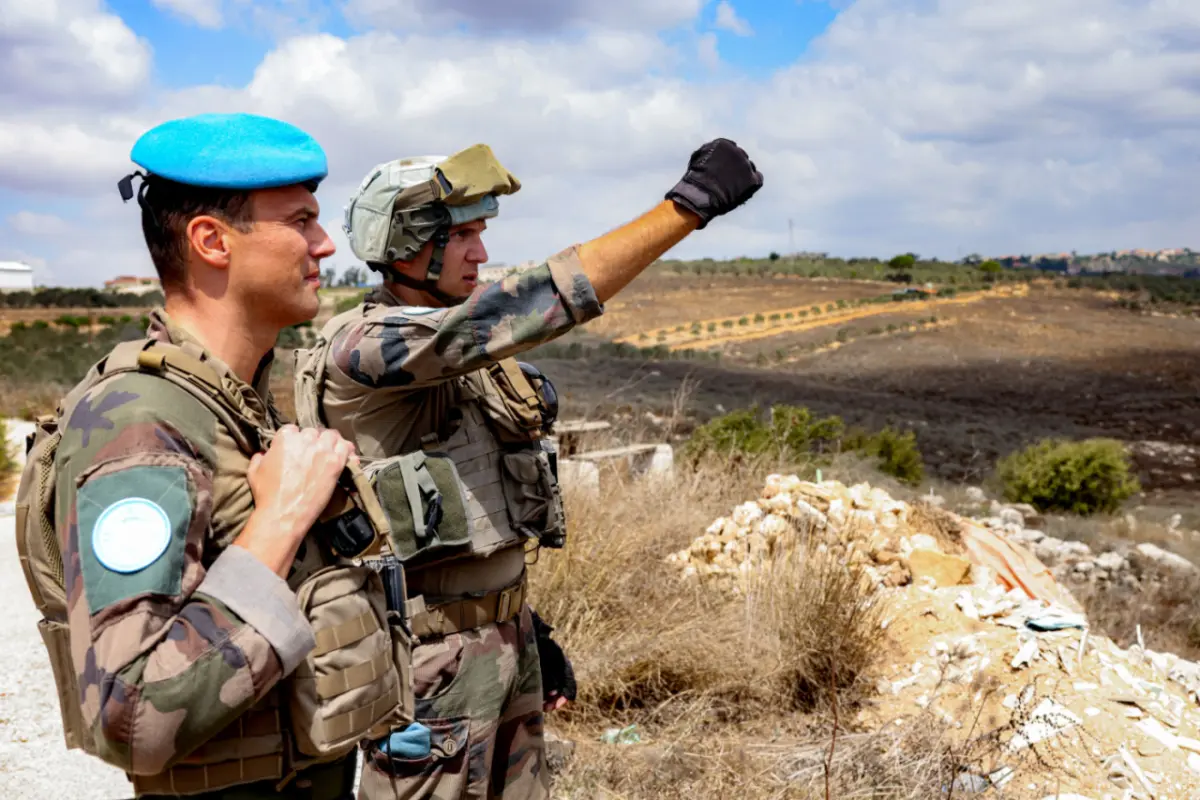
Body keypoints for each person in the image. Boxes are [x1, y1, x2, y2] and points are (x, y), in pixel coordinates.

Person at [291, 138, 762, 798]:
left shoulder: (461, 353)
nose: (481, 254)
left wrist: (528, 631)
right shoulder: (369, 345)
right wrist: (684, 210)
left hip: (502, 642)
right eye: (463, 236)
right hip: (431, 662)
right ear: (408, 245)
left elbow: (482, 503)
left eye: (481, 234)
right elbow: (523, 306)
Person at [15, 113, 412, 798]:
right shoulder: (142, 421)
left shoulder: (231, 405)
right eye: (300, 221)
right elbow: (131, 714)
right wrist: (280, 522)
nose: (324, 245)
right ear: (211, 241)